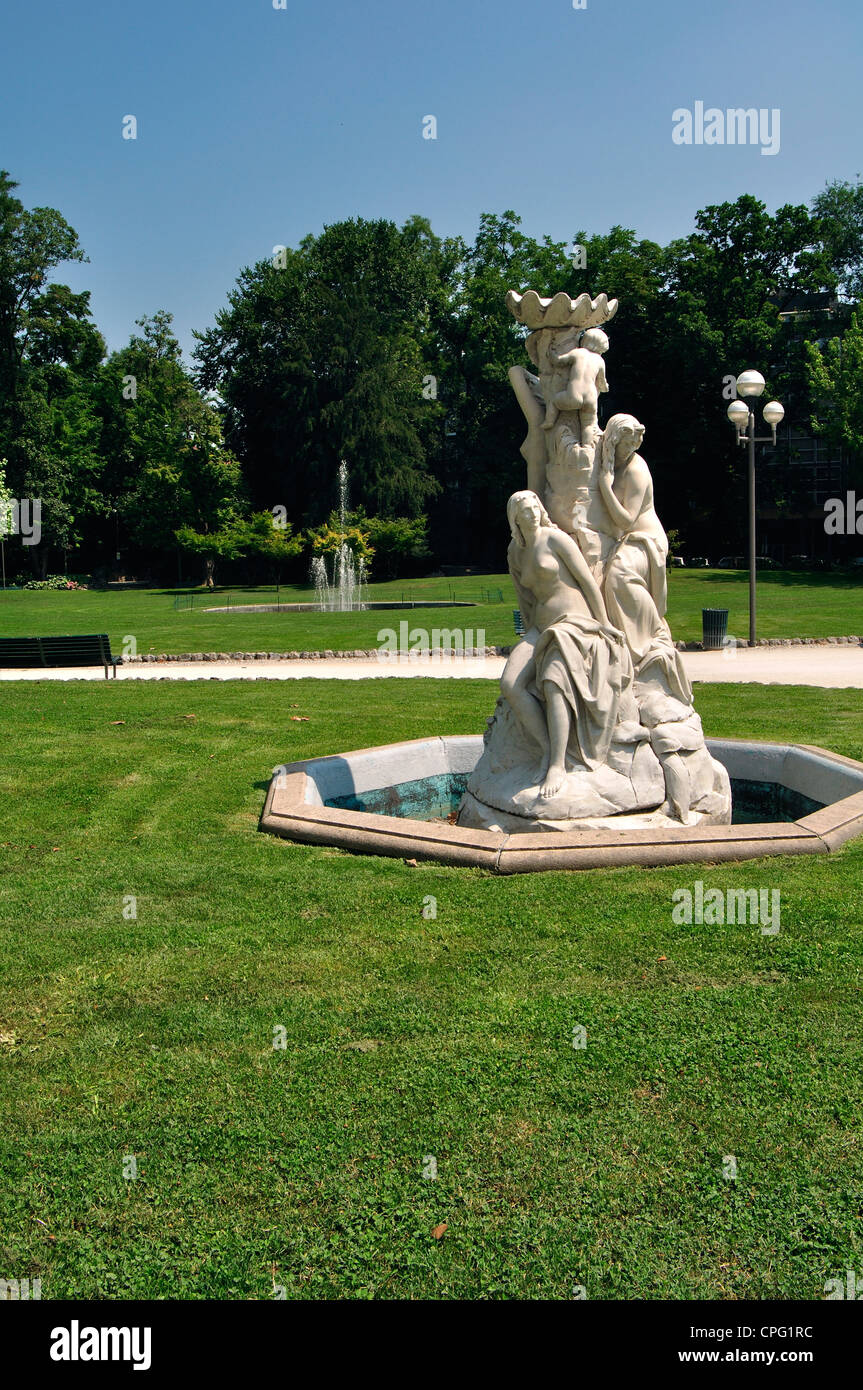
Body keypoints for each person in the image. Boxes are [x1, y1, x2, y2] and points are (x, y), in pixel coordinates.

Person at [502, 490, 632, 799]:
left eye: (535, 505)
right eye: (524, 508)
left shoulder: (555, 539)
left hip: (574, 623)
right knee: (510, 683)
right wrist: (529, 634)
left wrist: (604, 624)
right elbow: (526, 599)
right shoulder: (516, 553)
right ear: (515, 518)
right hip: (541, 627)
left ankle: (558, 765)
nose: (532, 511)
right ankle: (547, 749)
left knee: (553, 680)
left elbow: (587, 581)